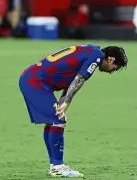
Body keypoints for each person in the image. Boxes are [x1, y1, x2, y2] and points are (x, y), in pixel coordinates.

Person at [18, 45, 128, 177]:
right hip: (35, 82)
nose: (111, 72)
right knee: (58, 120)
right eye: (114, 68)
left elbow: (71, 81)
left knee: (54, 120)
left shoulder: (91, 51)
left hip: (33, 79)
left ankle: (55, 164)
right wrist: (66, 101)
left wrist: (64, 101)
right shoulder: (97, 56)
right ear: (110, 59)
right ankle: (58, 167)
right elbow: (79, 79)